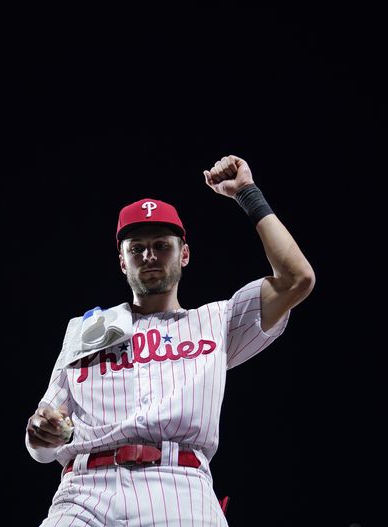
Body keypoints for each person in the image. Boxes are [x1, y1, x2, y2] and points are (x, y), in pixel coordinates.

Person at [25, 154, 316, 526]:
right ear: (122, 261)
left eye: (162, 245)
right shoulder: (85, 330)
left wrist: (247, 193)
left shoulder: (217, 320)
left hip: (179, 489)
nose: (149, 255)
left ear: (185, 254)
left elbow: (297, 278)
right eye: (136, 248)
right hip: (84, 491)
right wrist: (41, 431)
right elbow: (42, 432)